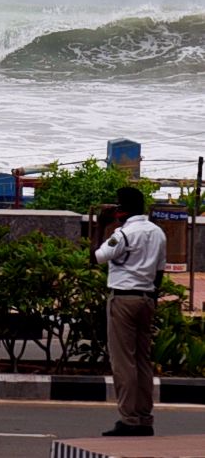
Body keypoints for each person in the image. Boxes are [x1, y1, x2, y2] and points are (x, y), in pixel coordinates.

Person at [94, 186, 167, 437]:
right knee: (143, 361)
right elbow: (159, 272)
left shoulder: (123, 234)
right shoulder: (157, 233)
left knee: (124, 361)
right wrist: (151, 298)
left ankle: (129, 419)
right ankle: (145, 417)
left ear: (121, 210)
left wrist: (99, 226)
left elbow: (97, 257)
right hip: (146, 298)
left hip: (123, 299)